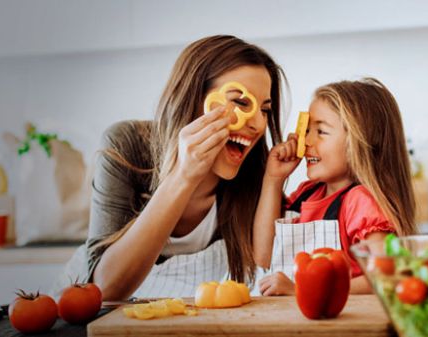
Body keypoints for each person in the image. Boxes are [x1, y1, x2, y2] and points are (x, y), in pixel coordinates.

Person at [77, 35, 286, 301]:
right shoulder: (126, 144)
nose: (257, 123)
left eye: (265, 109)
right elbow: (105, 290)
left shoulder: (256, 176)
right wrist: (184, 175)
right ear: (193, 99)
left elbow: (266, 262)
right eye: (241, 102)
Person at [253, 78, 416, 296]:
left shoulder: (361, 202)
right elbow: (264, 256)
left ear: (358, 143)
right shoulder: (307, 193)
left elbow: (387, 275)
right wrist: (273, 179)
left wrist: (302, 290)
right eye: (307, 130)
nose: (306, 141)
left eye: (320, 131)